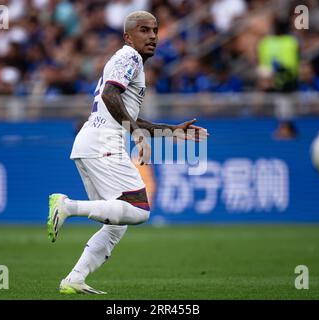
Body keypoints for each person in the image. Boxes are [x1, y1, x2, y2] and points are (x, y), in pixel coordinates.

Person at [47, 11, 208, 295]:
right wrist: (135, 133)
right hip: (104, 144)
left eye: (155, 30)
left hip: (91, 143)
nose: (153, 37)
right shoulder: (129, 57)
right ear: (128, 37)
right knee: (139, 209)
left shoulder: (128, 62)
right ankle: (68, 206)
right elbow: (110, 95)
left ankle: (74, 278)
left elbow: (128, 114)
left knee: (116, 224)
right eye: (144, 30)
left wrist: (171, 130)